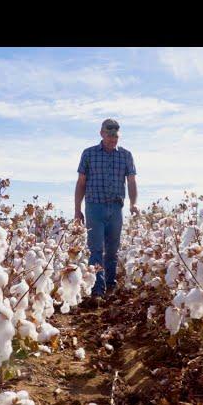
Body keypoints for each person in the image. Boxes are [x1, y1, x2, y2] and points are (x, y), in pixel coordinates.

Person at [74, 118, 139, 301]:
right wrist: (77, 209)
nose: (112, 140)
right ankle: (97, 290)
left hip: (116, 208)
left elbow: (132, 181)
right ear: (101, 134)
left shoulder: (125, 155)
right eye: (109, 136)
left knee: (112, 250)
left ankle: (110, 286)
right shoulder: (89, 154)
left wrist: (133, 203)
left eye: (115, 136)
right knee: (96, 249)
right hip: (94, 207)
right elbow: (81, 183)